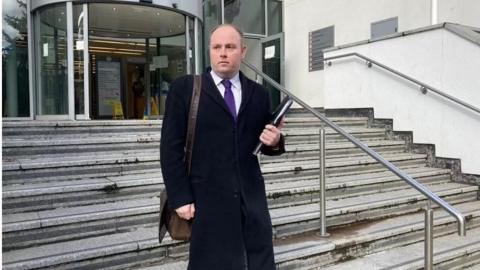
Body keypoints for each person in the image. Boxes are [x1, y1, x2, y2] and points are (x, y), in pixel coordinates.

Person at [160, 23, 285, 270]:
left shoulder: (259, 94)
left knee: (258, 262)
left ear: (243, 51)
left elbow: (263, 141)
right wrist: (180, 197)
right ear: (209, 51)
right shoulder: (185, 89)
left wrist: (276, 141)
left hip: (251, 200)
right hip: (206, 200)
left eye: (230, 47)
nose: (223, 53)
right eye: (217, 47)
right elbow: (170, 149)